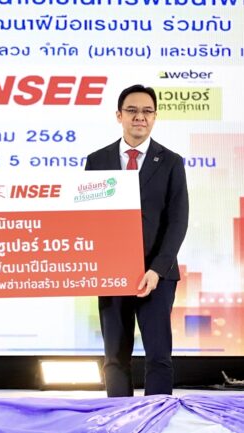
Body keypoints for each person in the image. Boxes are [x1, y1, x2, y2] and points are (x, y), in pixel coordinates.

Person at [85, 84, 189, 397]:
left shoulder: (171, 162)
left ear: (155, 117)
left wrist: (156, 270)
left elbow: (177, 222)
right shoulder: (97, 160)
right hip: (112, 273)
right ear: (119, 115)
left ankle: (156, 417)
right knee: (115, 357)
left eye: (147, 111)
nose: (139, 117)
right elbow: (88, 220)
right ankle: (119, 417)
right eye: (132, 110)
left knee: (159, 356)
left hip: (157, 274)